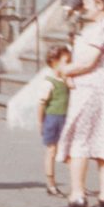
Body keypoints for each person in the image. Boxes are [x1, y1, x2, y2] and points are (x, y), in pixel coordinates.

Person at [56, 0, 104, 207]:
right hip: (101, 86)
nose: (83, 5)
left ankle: (77, 195)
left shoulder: (103, 27)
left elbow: (88, 62)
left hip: (92, 87)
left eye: (86, 1)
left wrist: (65, 70)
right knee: (102, 137)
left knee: (80, 138)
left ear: (100, 3)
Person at [39, 44, 71, 197]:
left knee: (71, 152)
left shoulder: (66, 80)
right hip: (52, 120)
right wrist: (41, 123)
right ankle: (50, 184)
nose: (69, 65)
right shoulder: (49, 82)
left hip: (66, 119)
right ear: (54, 62)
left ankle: (77, 183)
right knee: (51, 151)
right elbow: (41, 104)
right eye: (66, 61)